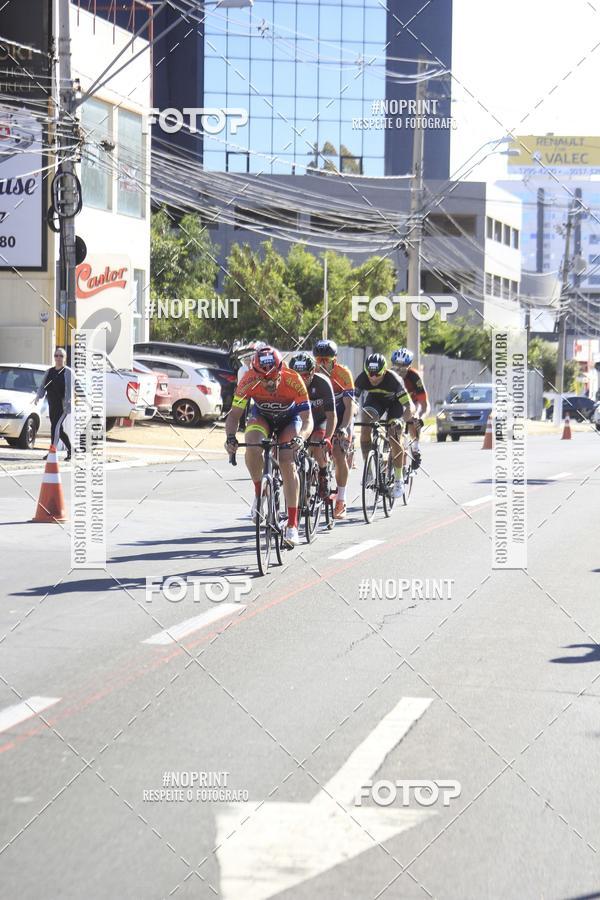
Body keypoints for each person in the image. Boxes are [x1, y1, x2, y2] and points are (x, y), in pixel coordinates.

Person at [225, 346, 312, 547]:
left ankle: (292, 525)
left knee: (286, 460)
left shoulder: (293, 380)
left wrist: (301, 437)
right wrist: (230, 438)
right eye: (263, 378)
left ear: (281, 369)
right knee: (252, 446)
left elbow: (308, 420)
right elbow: (234, 416)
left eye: (273, 376)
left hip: (289, 420)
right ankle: (259, 493)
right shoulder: (247, 379)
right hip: (261, 416)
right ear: (255, 373)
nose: (269, 382)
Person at [354, 352, 414, 499]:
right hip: (375, 401)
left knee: (394, 435)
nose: (373, 377)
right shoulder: (362, 378)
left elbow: (409, 406)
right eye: (370, 374)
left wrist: (401, 420)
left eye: (377, 374)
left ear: (385, 370)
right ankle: (369, 472)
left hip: (395, 404)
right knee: (365, 425)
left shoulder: (394, 380)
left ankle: (399, 479)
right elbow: (351, 402)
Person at [313, 338, 354, 519]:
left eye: (326, 360)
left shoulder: (343, 374)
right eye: (318, 360)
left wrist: (344, 428)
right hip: (322, 414)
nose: (321, 364)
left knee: (338, 453)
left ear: (334, 360)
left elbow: (349, 405)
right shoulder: (311, 372)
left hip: (342, 414)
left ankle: (341, 500)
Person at [288, 351, 336, 496]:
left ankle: (323, 473)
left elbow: (332, 415)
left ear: (313, 372)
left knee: (317, 444)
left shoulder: (323, 384)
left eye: (305, 375)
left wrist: (327, 438)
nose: (301, 380)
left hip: (320, 421)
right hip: (299, 422)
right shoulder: (288, 384)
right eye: (297, 375)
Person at [390, 347, 429, 470]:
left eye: (403, 367)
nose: (399, 370)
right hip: (396, 403)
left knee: (414, 418)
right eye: (396, 366)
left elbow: (425, 404)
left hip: (413, 403)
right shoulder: (389, 375)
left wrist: (421, 418)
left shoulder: (414, 377)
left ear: (409, 366)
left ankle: (415, 448)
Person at [34, 347, 72, 461]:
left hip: (63, 406)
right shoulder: (49, 372)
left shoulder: (68, 372)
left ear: (65, 358)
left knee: (55, 428)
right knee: (57, 430)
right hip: (52, 404)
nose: (58, 358)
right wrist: (37, 396)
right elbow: (43, 386)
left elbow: (78, 386)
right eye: (56, 355)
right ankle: (71, 451)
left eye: (61, 356)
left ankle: (52, 453)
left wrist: (87, 400)